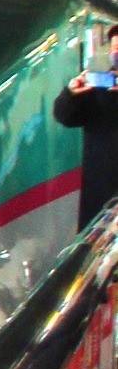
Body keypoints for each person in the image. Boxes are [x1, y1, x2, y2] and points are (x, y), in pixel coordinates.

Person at [54, 22, 118, 228]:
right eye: (115, 55)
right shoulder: (100, 88)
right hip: (102, 198)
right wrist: (72, 94)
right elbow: (65, 116)